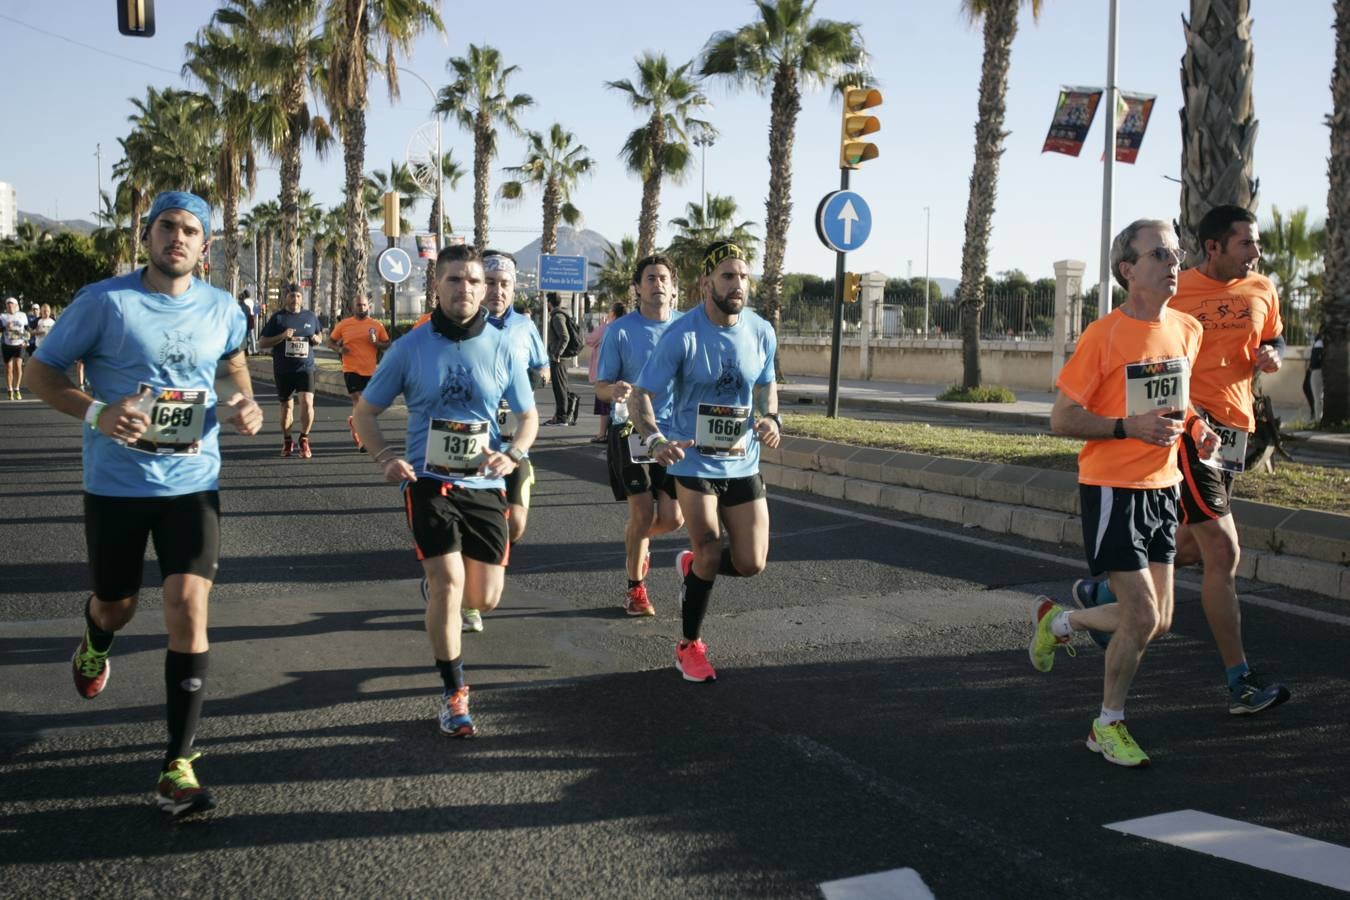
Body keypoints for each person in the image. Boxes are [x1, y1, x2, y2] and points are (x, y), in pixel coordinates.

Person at [27, 190, 263, 816]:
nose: (177, 238)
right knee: (118, 604)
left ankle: (176, 765)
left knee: (188, 604)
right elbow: (39, 374)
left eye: (190, 230)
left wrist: (242, 400)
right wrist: (98, 412)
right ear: (148, 235)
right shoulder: (105, 301)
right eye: (167, 227)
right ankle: (95, 637)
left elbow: (234, 363)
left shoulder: (222, 309)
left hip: (193, 483)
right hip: (116, 486)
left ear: (205, 247)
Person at [1074, 206, 1292, 717]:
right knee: (1224, 550)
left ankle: (1105, 592)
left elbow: (1274, 336)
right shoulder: (1177, 291)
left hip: (1233, 433)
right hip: (1191, 433)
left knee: (1191, 546)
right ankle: (1239, 680)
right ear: (1214, 247)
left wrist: (1274, 353)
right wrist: (1173, 422)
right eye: (1244, 244)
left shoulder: (1261, 289)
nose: (1255, 253)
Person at [1034, 218, 1218, 768]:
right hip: (1112, 488)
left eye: (1176, 252)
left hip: (1164, 487)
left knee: (1158, 621)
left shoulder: (1187, 328)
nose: (1175, 262)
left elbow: (1177, 401)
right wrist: (1126, 428)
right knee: (1140, 615)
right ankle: (1106, 725)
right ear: (1128, 270)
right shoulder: (1104, 336)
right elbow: (1062, 419)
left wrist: (1196, 426)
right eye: (1160, 254)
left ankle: (1060, 623)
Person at [352, 244, 537, 738]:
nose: (466, 289)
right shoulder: (411, 347)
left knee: (484, 597)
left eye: (474, 281)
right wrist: (385, 458)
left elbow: (528, 416)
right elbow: (365, 412)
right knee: (449, 584)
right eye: (454, 280)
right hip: (428, 481)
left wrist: (513, 453)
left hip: (484, 483)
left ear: (485, 288)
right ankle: (454, 694)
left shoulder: (502, 347)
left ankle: (438, 593)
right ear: (437, 286)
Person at [632, 241, 781, 681]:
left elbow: (767, 385)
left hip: (742, 460)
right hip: (692, 462)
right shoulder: (682, 334)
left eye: (743, 277)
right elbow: (642, 394)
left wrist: (771, 417)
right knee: (710, 549)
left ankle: (694, 565)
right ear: (706, 284)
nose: (738, 285)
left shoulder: (761, 330)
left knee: (753, 563)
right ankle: (688, 645)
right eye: (728, 277)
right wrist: (655, 439)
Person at [596, 257, 685, 617]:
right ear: (637, 287)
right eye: (650, 278)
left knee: (674, 518)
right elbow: (600, 388)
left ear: (673, 287)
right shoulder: (620, 330)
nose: (658, 284)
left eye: (664, 278)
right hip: (631, 430)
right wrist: (614, 390)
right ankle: (636, 589)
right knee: (643, 510)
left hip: (675, 431)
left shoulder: (687, 326)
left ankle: (639, 540)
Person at [467, 249, 550, 633]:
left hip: (513, 442)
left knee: (515, 524)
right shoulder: (462, 326)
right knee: (470, 524)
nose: (498, 291)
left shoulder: (524, 328)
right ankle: (467, 597)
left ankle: (480, 572)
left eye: (505, 285)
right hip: (470, 442)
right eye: (492, 283)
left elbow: (543, 370)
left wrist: (519, 388)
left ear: (514, 288)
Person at [258, 282, 323, 458]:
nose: (295, 299)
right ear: (286, 298)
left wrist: (317, 339)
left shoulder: (310, 316)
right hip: (283, 369)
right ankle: (287, 441)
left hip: (305, 367)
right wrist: (282, 336)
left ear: (302, 299)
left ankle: (304, 439)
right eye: (292, 296)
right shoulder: (278, 318)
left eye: (298, 296)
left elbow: (319, 335)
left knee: (307, 403)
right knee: (287, 408)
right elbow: (262, 342)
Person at [327, 294, 390, 452]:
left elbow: (387, 344)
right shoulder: (344, 324)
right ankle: (363, 440)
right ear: (353, 307)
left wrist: (376, 343)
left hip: (369, 370)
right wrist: (340, 349)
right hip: (351, 368)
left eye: (363, 305)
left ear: (368, 306)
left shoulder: (376, 325)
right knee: (359, 401)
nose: (361, 308)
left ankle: (354, 422)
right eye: (358, 305)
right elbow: (330, 342)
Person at [587, 300, 626, 444]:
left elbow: (590, 340)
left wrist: (602, 325)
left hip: (604, 372)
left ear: (613, 313)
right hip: (622, 373)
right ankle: (620, 433)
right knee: (621, 404)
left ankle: (602, 434)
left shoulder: (608, 328)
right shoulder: (628, 327)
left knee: (604, 405)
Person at [545, 292, 580, 425]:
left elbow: (565, 336)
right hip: (560, 357)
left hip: (559, 358)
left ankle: (562, 417)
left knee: (559, 388)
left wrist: (557, 353)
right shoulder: (560, 315)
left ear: (550, 303)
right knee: (561, 387)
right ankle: (560, 416)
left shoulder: (557, 317)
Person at [2, 296, 30, 399]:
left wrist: (26, 341)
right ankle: (10, 389)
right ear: (6, 306)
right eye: (8, 304)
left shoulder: (22, 315)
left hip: (20, 344)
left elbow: (27, 329)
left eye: (11, 304)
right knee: (9, 368)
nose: (10, 306)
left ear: (16, 305)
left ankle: (17, 388)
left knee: (18, 367)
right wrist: (5, 327)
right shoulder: (2, 316)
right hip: (7, 345)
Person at [1304, 330, 1324, 423]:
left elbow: (1316, 360)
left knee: (1317, 397)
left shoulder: (1319, 344)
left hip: (1316, 371)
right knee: (1319, 397)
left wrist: (1311, 367)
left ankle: (1317, 419)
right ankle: (1316, 417)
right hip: (1318, 371)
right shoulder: (1321, 343)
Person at [239, 290, 258, 355]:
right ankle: (254, 349)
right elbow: (255, 310)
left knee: (246, 335)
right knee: (252, 335)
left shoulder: (243, 302)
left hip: (245, 318)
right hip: (251, 318)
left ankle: (248, 349)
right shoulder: (252, 301)